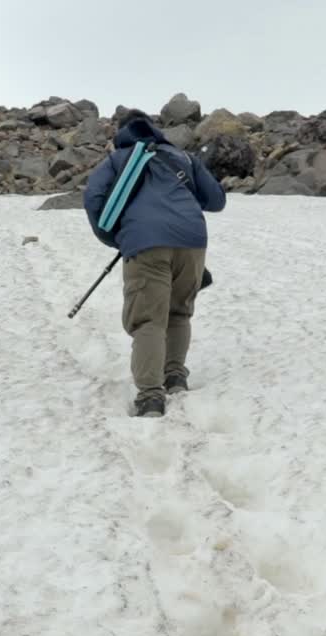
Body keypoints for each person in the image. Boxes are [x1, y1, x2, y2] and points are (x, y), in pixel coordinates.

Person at [83, 110, 227, 418]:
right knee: (179, 311)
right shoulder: (183, 158)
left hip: (144, 242)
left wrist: (117, 238)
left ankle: (150, 396)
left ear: (121, 134)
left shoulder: (118, 160)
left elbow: (94, 198)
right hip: (192, 240)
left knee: (148, 319)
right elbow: (216, 199)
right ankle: (174, 376)